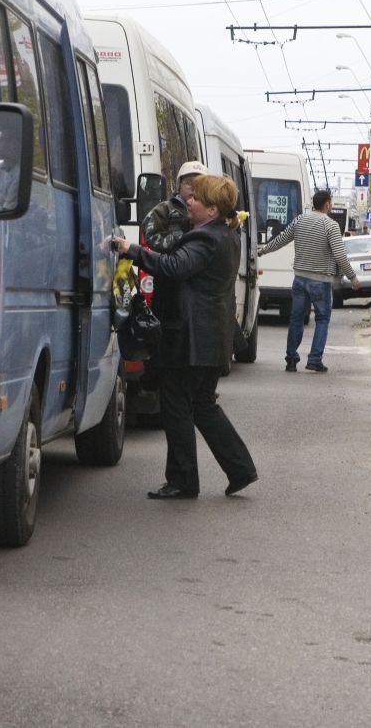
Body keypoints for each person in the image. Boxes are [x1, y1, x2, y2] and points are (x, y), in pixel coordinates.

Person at [114, 175, 257, 500]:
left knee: (177, 406)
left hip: (190, 339)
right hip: (211, 337)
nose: (188, 202)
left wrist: (131, 250)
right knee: (203, 405)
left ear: (211, 208)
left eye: (195, 199)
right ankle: (240, 469)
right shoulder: (227, 234)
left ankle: (182, 480)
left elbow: (174, 266)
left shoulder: (205, 238)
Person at [257, 189, 361, 373]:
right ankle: (314, 360)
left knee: (296, 318)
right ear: (327, 204)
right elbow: (339, 255)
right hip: (320, 281)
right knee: (322, 319)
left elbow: (281, 239)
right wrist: (352, 277)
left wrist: (263, 250)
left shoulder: (300, 220)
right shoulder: (331, 225)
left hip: (299, 279)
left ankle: (291, 359)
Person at [141, 160, 207, 252]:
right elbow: (149, 234)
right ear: (179, 185)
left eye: (200, 184)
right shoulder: (166, 208)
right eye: (189, 183)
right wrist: (180, 240)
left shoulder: (211, 211)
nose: (194, 188)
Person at [0, 131, 21, 212]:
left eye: (1, 140)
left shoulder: (19, 174)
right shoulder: (0, 167)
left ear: (14, 144)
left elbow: (7, 211)